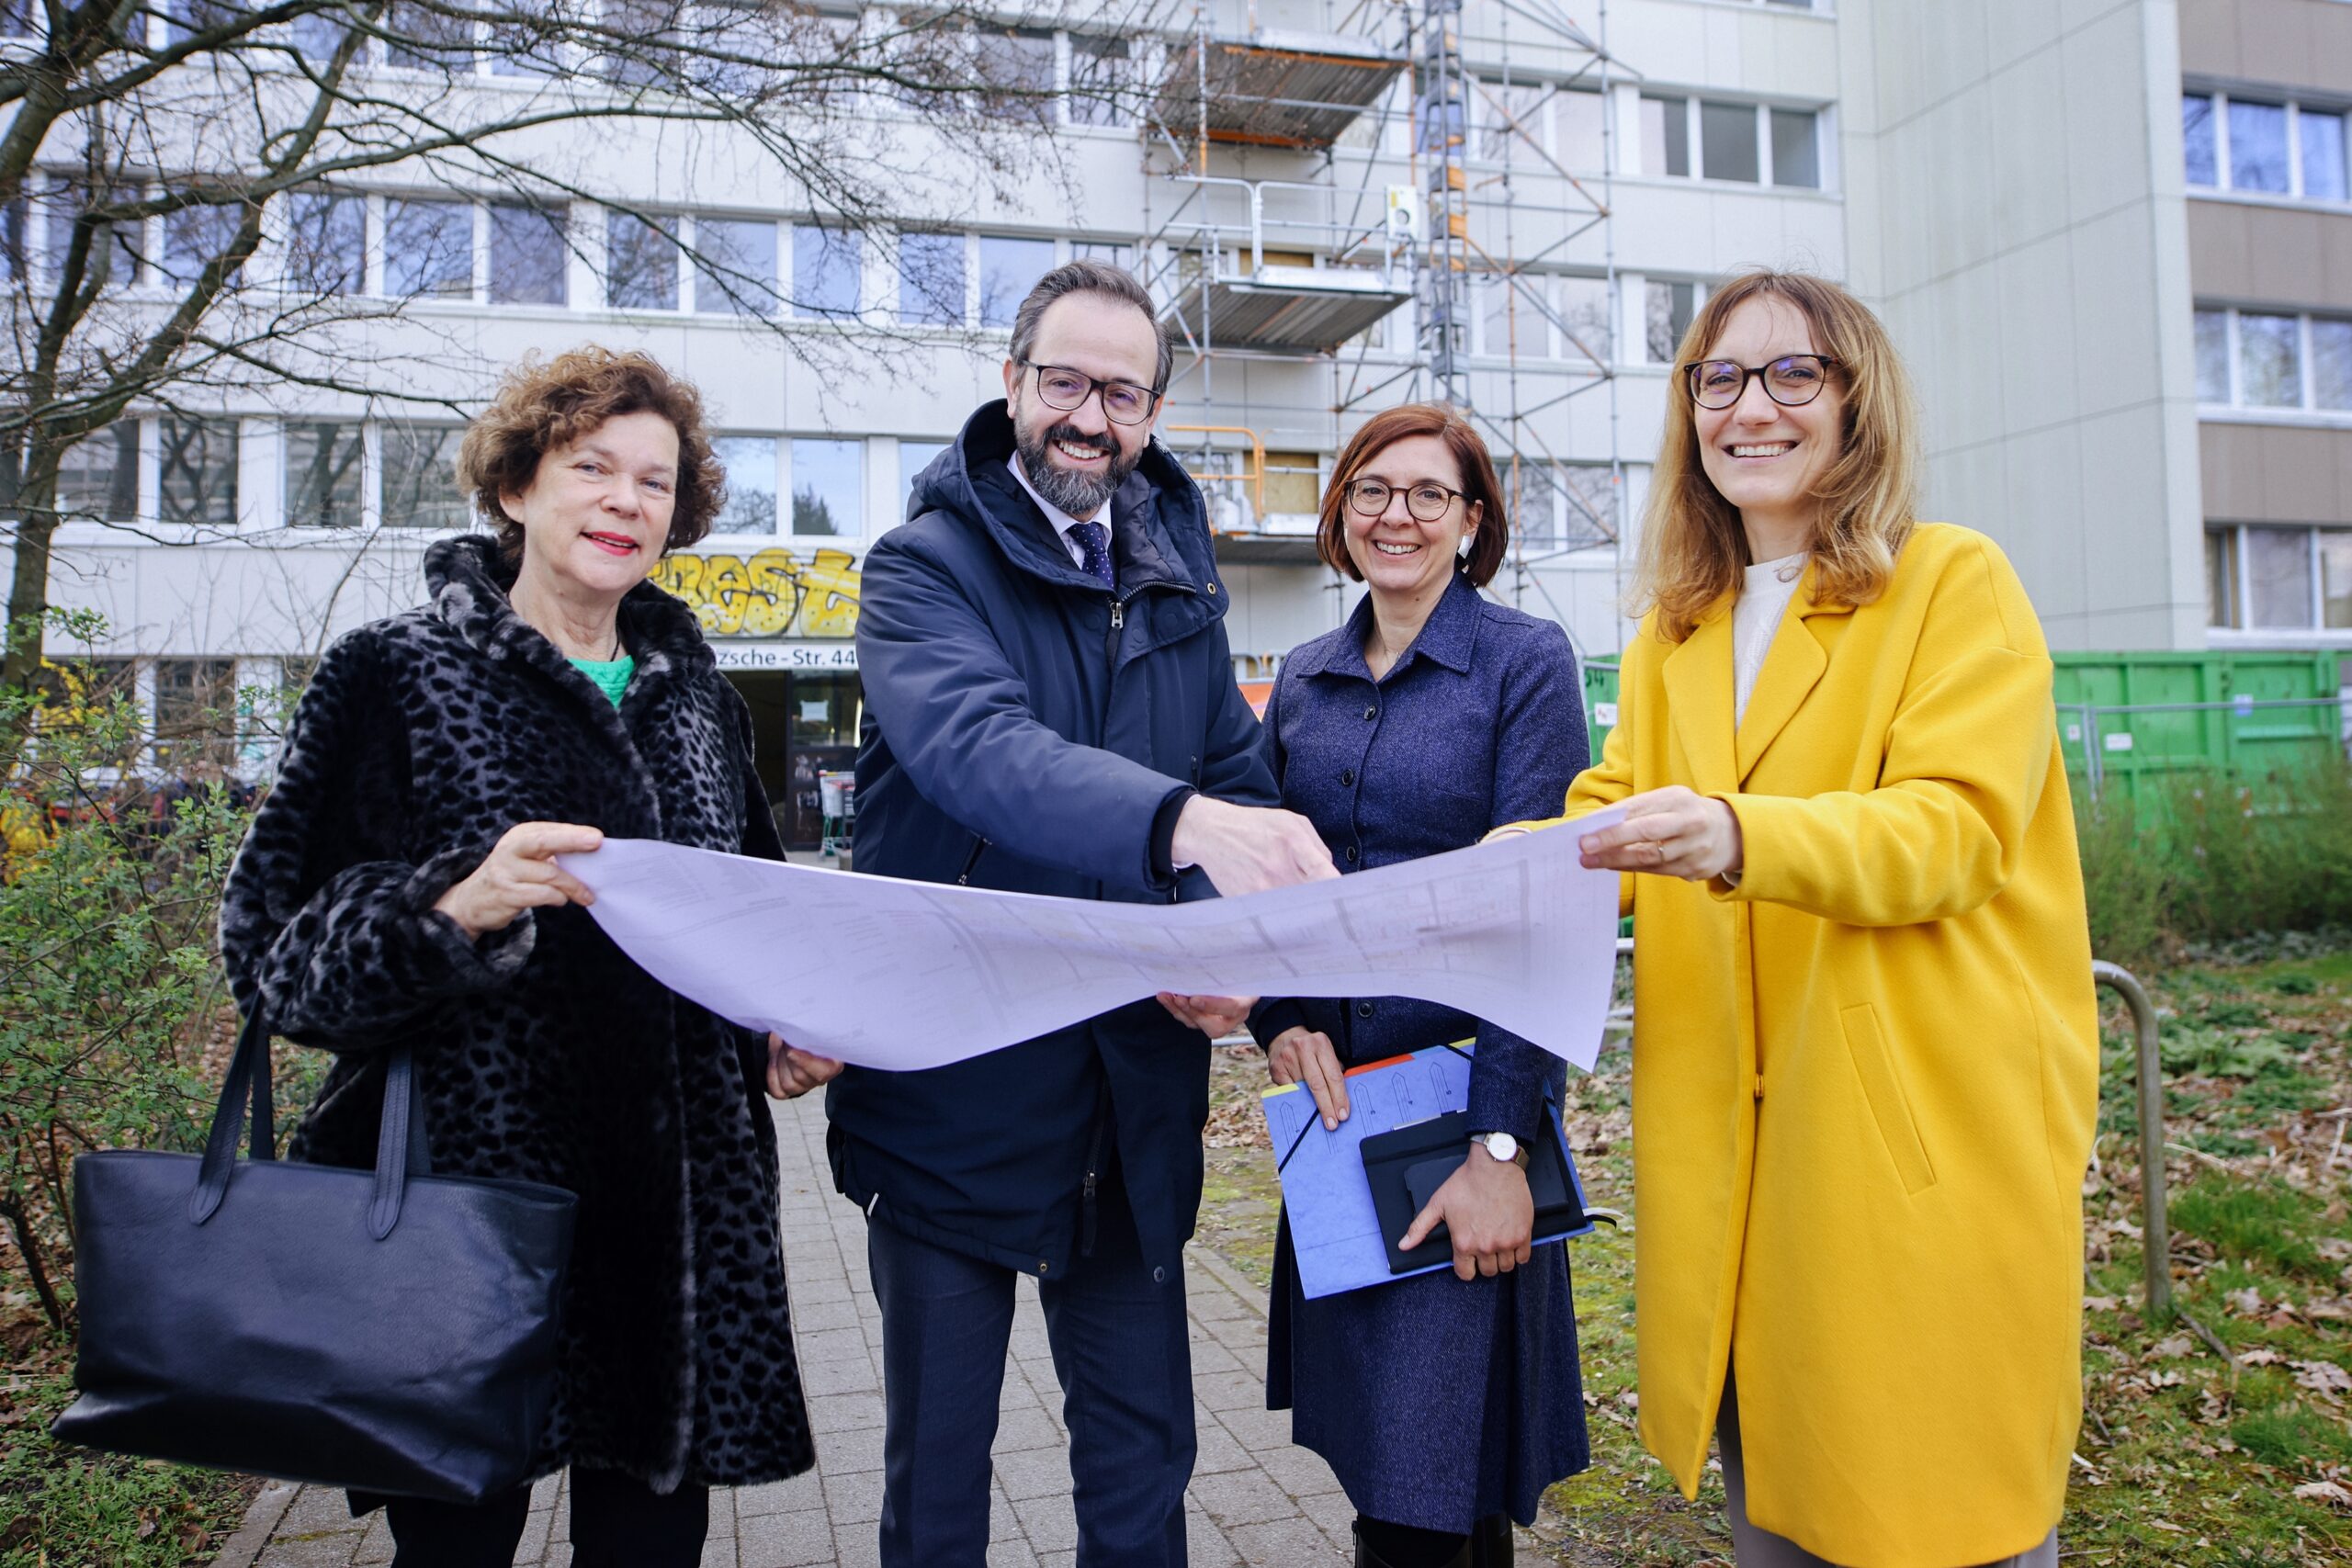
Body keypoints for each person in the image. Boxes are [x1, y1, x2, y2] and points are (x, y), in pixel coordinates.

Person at [1505, 271, 2097, 1567]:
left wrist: (1733, 832)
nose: (1748, 407)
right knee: (1776, 1505)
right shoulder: (1680, 631)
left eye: (1791, 374)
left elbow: (1954, 829)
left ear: (1854, 400)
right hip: (1737, 1169)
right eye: (1717, 378)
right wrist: (1491, 870)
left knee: (1941, 1509)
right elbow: (1612, 805)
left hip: (1904, 1151)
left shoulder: (1949, 583)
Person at [219, 347, 827, 1567]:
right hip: (459, 1212)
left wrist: (779, 1019)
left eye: (653, 481)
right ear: (514, 489)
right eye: (591, 466)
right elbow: (270, 952)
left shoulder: (698, 699)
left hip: (672, 1227)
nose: (623, 500)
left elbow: (749, 919)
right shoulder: (392, 671)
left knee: (653, 1540)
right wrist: (453, 906)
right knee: (453, 1547)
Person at [832, 258, 1337, 1567]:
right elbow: (976, 750)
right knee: (939, 1477)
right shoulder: (919, 568)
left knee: (1141, 1460)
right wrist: (1184, 827)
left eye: (1123, 392)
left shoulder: (1178, 582)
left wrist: (1237, 953)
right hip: (953, 1098)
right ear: (1012, 385)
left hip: (1130, 1104)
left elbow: (1234, 776)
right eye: (1064, 381)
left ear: (1155, 412)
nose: (1089, 417)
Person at [1248, 403, 1591, 1568]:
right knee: (1402, 1473)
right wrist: (1277, 1020)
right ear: (1341, 512)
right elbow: (1259, 882)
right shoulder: (1300, 678)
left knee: (1432, 1475)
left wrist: (1499, 1150)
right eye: (1372, 490)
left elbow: (1539, 911)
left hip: (1462, 1111)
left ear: (1471, 520)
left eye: (1428, 494)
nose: (1398, 515)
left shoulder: (1524, 663)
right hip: (1344, 1125)